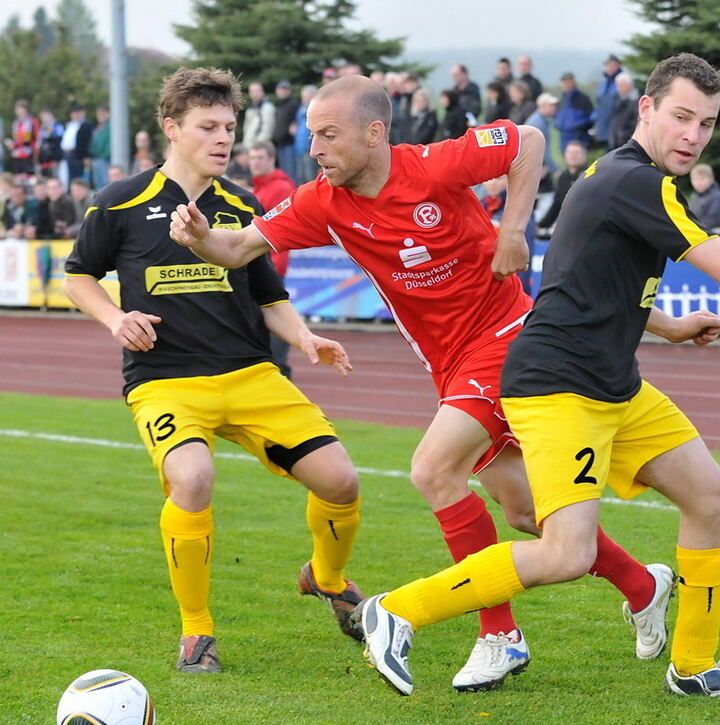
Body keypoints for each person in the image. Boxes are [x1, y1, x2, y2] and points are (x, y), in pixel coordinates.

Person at [352, 52, 720, 699]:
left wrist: (668, 327)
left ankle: (695, 668)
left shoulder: (621, 177)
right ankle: (396, 611)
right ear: (646, 110)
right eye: (680, 117)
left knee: (712, 497)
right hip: (559, 388)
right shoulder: (635, 183)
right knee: (565, 553)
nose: (693, 136)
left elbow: (588, 288)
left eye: (706, 123)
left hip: (614, 384)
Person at [169, 74, 682, 693]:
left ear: (374, 133)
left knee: (433, 469)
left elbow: (528, 140)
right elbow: (236, 249)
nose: (315, 149)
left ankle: (500, 635)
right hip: (451, 366)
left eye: (328, 135)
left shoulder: (436, 166)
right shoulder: (321, 201)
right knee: (525, 512)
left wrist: (514, 230)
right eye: (311, 136)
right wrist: (199, 237)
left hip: (512, 336)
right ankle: (641, 584)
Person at [64, 66, 365, 674]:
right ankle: (196, 633)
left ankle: (326, 577)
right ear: (171, 128)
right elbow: (78, 277)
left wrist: (304, 337)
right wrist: (114, 319)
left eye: (229, 126)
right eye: (208, 126)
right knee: (193, 480)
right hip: (166, 381)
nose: (223, 137)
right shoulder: (118, 202)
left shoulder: (241, 205)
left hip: (251, 377)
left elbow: (267, 295)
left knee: (342, 482)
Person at [249, 139, 296, 377]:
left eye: (259, 157)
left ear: (271, 159)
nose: (254, 162)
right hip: (261, 261)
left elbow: (281, 228)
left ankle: (279, 367)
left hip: (271, 262)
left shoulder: (278, 188)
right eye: (252, 157)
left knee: (273, 312)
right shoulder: (260, 188)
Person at [537, 139, 588, 235]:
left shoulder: (589, 176)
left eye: (577, 153)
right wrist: (541, 224)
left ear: (584, 156)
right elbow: (557, 204)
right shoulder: (563, 177)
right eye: (570, 152)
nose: (573, 156)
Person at [555, 72, 593, 150]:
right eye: (564, 82)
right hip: (564, 137)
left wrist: (579, 125)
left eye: (569, 82)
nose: (567, 84)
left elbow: (591, 116)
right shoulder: (562, 99)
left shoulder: (583, 98)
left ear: (574, 82)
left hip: (578, 136)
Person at [593, 55, 624, 151]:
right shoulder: (603, 83)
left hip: (617, 128)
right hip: (603, 127)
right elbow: (599, 103)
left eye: (612, 65)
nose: (609, 68)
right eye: (608, 65)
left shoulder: (622, 80)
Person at [60, 103, 93, 189]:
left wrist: (86, 156)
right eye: (74, 113)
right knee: (69, 177)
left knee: (78, 177)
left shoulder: (85, 125)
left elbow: (86, 142)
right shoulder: (69, 125)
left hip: (77, 155)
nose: (75, 115)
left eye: (77, 113)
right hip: (67, 154)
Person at [689, 163, 720, 230]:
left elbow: (714, 221)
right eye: (695, 179)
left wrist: (695, 229)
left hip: (718, 237)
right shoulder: (694, 197)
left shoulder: (717, 196)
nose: (698, 183)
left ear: (711, 179)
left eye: (702, 179)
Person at [272, 80, 298, 181]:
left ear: (289, 91)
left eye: (285, 89)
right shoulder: (279, 105)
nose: (282, 91)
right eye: (280, 89)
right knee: (284, 174)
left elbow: (298, 122)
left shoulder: (293, 104)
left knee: (290, 174)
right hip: (279, 144)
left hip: (289, 143)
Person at [4, 100, 39, 176]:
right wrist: (12, 144)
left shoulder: (31, 122)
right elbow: (15, 137)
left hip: (28, 154)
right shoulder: (16, 122)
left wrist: (15, 144)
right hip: (17, 154)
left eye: (19, 109)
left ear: (25, 110)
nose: (18, 112)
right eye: (16, 110)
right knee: (17, 176)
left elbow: (28, 139)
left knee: (28, 176)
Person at [294, 85, 318, 184]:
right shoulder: (300, 109)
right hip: (298, 149)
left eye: (308, 96)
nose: (305, 98)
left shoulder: (317, 110)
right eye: (304, 96)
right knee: (300, 177)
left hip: (309, 149)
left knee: (310, 178)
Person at [609, 72, 640, 150]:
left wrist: (624, 135)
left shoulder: (638, 101)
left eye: (620, 85)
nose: (618, 89)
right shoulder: (618, 100)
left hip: (630, 143)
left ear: (629, 85)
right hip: (617, 142)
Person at [242, 82, 275, 148]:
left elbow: (267, 130)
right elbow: (246, 129)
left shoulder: (267, 107)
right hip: (248, 146)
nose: (255, 94)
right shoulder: (250, 109)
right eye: (252, 91)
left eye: (257, 91)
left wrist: (257, 145)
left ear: (262, 92)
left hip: (260, 147)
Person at [36, 108, 64, 178]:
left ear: (50, 115)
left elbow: (59, 141)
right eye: (42, 117)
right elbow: (39, 142)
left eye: (44, 116)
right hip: (44, 158)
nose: (43, 118)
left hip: (54, 157)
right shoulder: (42, 127)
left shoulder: (57, 126)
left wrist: (56, 159)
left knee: (54, 176)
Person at [89, 105, 111, 190]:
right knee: (97, 183)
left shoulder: (110, 126)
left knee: (105, 183)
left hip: (104, 160)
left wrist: (105, 155)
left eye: (103, 113)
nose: (100, 116)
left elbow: (110, 143)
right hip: (96, 159)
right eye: (99, 114)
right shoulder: (98, 127)